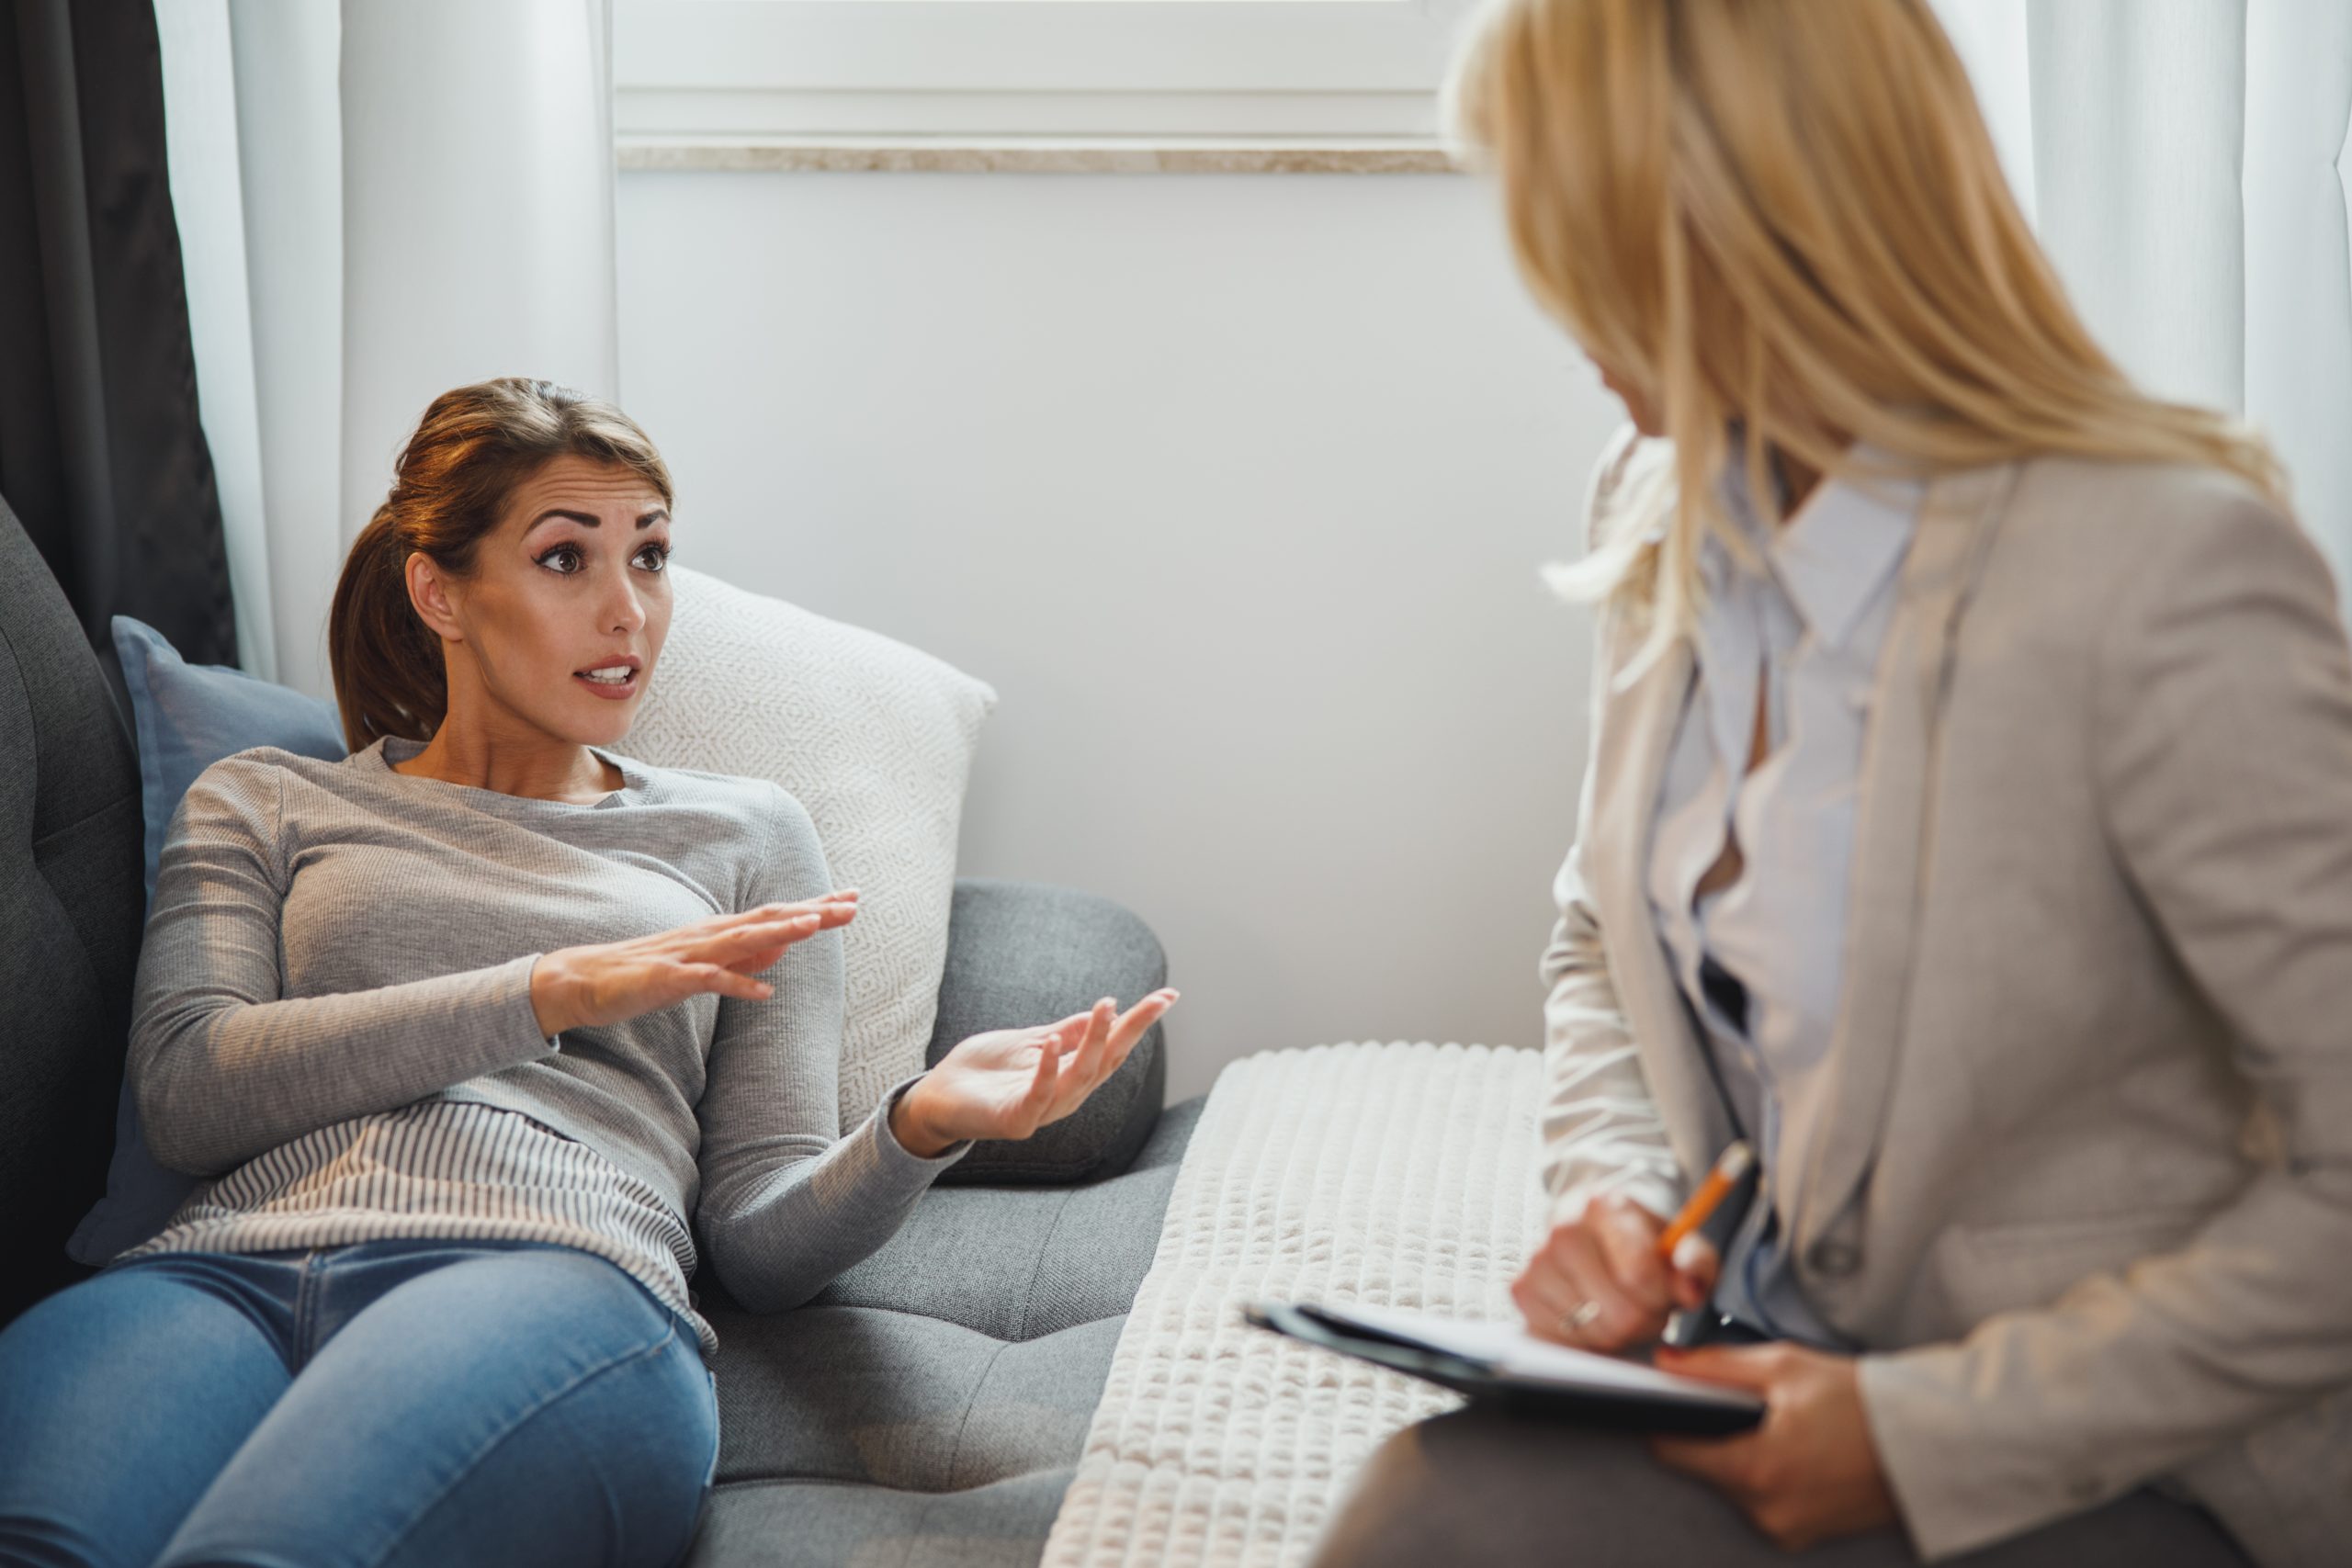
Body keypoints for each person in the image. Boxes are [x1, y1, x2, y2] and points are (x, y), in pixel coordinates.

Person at [1311, 2, 2349, 1565]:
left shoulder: (2162, 569)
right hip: (1775, 1367)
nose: (1551, 295)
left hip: (2128, 1457)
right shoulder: (1661, 495)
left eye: (1572, 232)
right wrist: (1617, 1200)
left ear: (1741, 231)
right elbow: (1602, 937)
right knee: (1432, 1503)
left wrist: (1926, 1437)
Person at [0, 377, 1178, 1568]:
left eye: (652, 556)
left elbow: (759, 1244)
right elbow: (192, 1093)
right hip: (211, 1277)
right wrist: (551, 992)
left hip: (546, 1271)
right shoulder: (265, 798)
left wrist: (917, 1125)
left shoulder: (745, 836)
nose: (631, 610)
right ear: (438, 591)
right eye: (568, 559)